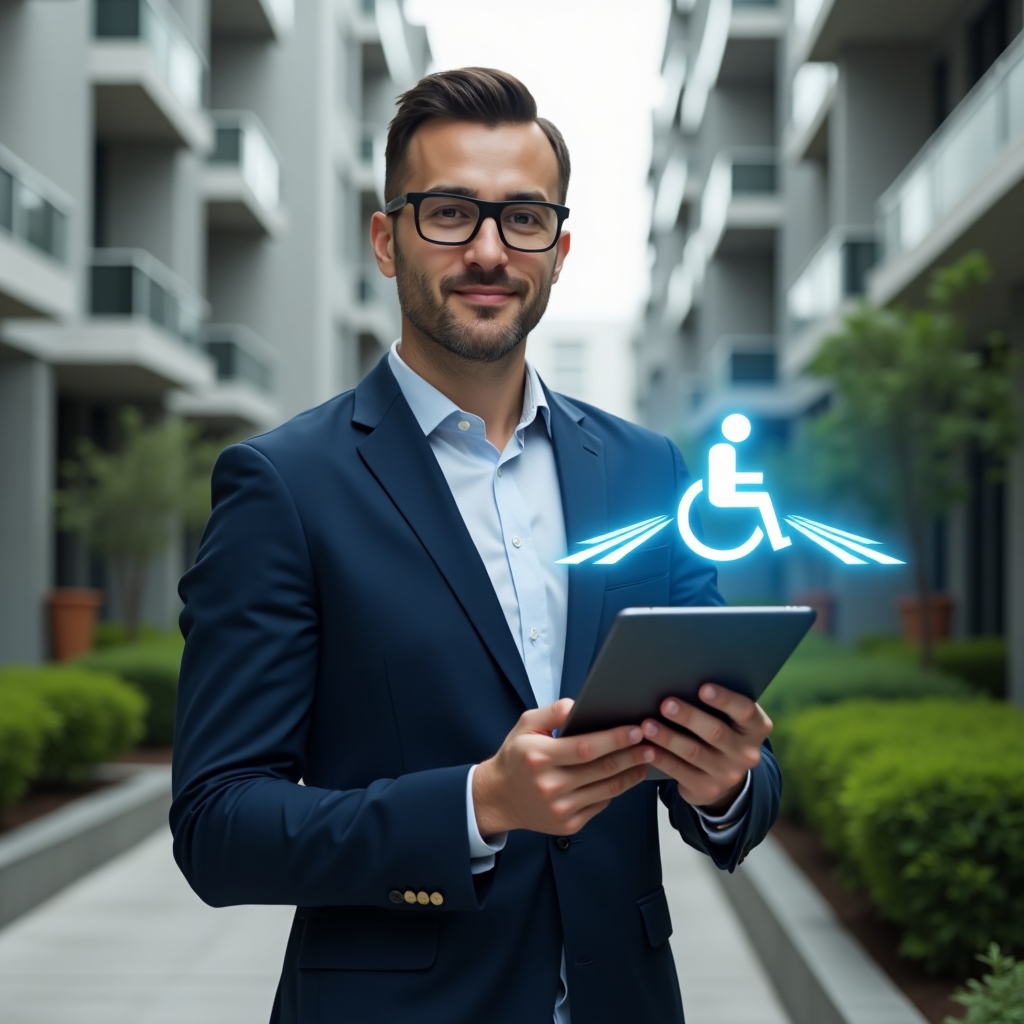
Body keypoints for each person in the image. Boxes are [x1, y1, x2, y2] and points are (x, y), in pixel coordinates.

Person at [171, 68, 780, 1024]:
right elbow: (217, 827)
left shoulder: (648, 471)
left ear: (560, 247)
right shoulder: (282, 485)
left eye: (523, 218)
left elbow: (735, 767)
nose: (489, 251)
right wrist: (478, 804)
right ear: (386, 239)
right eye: (450, 212)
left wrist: (726, 782)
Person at [708, 413, 792, 551]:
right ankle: (777, 539)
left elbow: (730, 477)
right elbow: (727, 478)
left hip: (726, 492)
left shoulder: (723, 449)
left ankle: (777, 538)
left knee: (762, 497)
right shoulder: (724, 450)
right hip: (723, 495)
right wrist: (756, 477)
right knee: (762, 498)